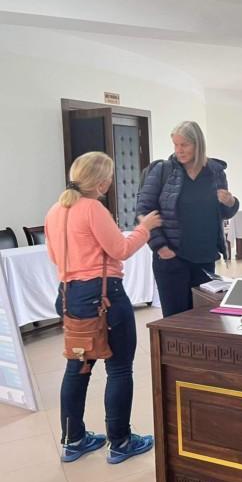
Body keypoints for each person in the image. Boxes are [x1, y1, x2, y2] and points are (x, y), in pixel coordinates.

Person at [45, 151, 162, 464]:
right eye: (109, 176)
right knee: (119, 368)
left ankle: (74, 440)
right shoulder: (92, 209)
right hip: (104, 297)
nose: (111, 181)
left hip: (70, 296)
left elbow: (55, 258)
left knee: (77, 367)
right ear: (99, 182)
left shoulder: (56, 210)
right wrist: (145, 227)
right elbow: (120, 249)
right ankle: (121, 442)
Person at [136, 120, 239, 318]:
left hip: (205, 258)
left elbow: (224, 213)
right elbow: (144, 210)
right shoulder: (163, 171)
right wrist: (161, 247)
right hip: (172, 258)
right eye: (176, 145)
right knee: (176, 319)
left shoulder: (215, 172)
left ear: (197, 145)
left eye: (184, 145)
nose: (179, 150)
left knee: (204, 318)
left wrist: (231, 202)